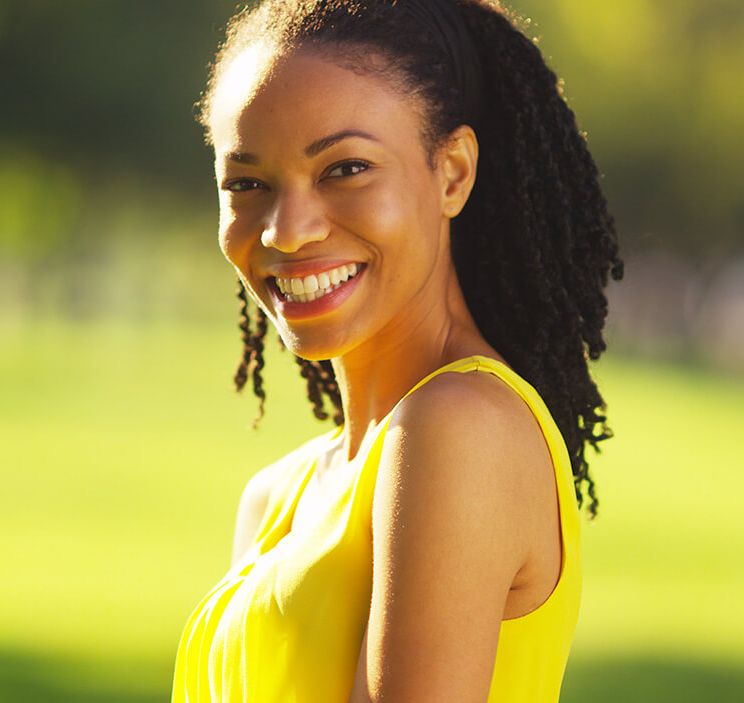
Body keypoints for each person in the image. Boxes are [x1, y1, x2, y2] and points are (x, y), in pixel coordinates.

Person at [173, 0, 622, 700]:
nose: (285, 232)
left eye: (344, 169)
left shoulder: (460, 428)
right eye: (248, 184)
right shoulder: (275, 499)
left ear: (452, 174)